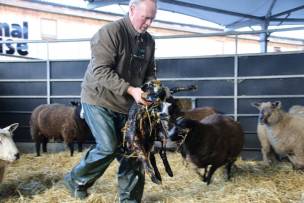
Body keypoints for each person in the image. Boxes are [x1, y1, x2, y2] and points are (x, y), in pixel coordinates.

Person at [63, 0, 157, 202]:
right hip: (98, 99)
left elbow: (149, 73)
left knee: (134, 153)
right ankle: (76, 179)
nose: (149, 23)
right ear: (132, 10)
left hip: (128, 105)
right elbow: (100, 71)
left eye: (152, 18)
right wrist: (131, 89)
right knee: (108, 146)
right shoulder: (110, 33)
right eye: (145, 17)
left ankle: (130, 200)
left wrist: (152, 88)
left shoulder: (149, 41)